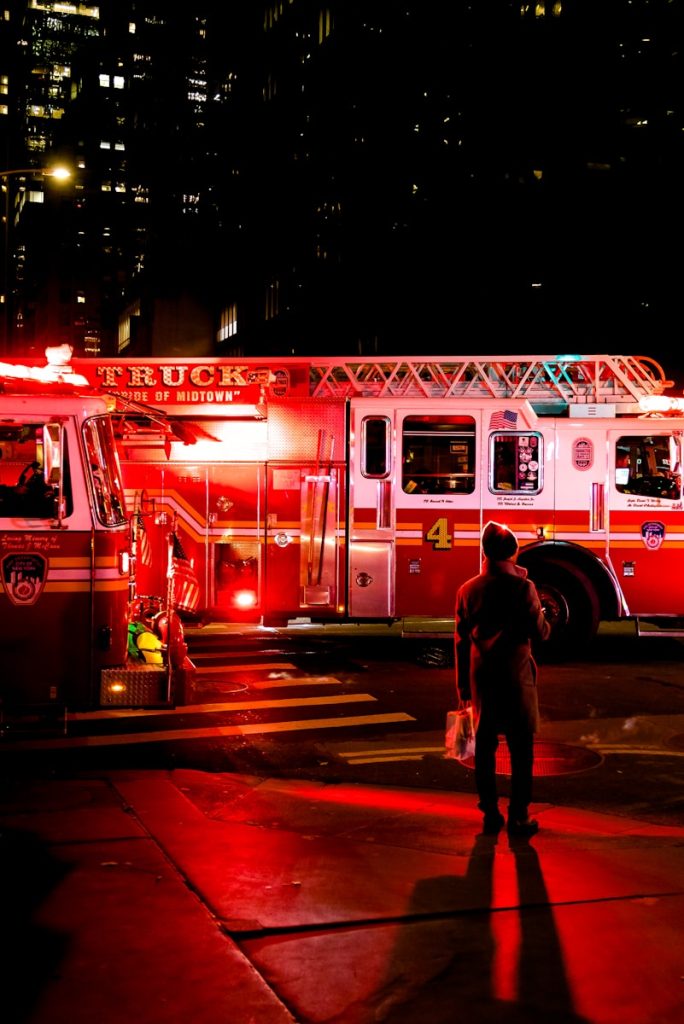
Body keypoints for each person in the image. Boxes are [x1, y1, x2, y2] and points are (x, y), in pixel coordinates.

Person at [454, 521, 551, 837]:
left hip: (482, 681)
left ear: (485, 553)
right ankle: (519, 815)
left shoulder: (468, 590)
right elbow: (541, 632)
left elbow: (461, 642)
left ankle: (490, 811)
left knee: (484, 748)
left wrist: (463, 688)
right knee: (521, 750)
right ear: (514, 552)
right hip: (517, 679)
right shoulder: (524, 588)